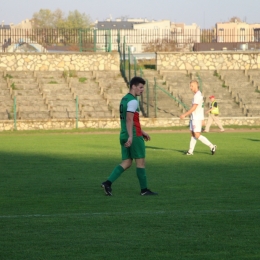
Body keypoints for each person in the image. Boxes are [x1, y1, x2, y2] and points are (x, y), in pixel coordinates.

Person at [101, 76, 158, 196]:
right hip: (133, 135)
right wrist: (132, 137)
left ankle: (107, 183)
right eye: (140, 87)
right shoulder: (133, 101)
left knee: (127, 162)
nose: (142, 90)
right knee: (140, 162)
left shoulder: (124, 99)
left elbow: (130, 120)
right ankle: (144, 190)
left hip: (123, 133)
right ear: (133, 86)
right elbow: (129, 119)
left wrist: (142, 132)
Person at [180, 80, 217, 155]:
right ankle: (190, 151)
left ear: (196, 85)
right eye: (190, 86)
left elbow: (194, 107)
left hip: (196, 118)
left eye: (192, 86)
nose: (190, 88)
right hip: (194, 117)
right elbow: (201, 108)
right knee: (193, 134)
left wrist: (185, 114)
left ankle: (212, 146)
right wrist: (202, 119)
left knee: (197, 134)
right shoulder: (198, 95)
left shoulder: (197, 95)